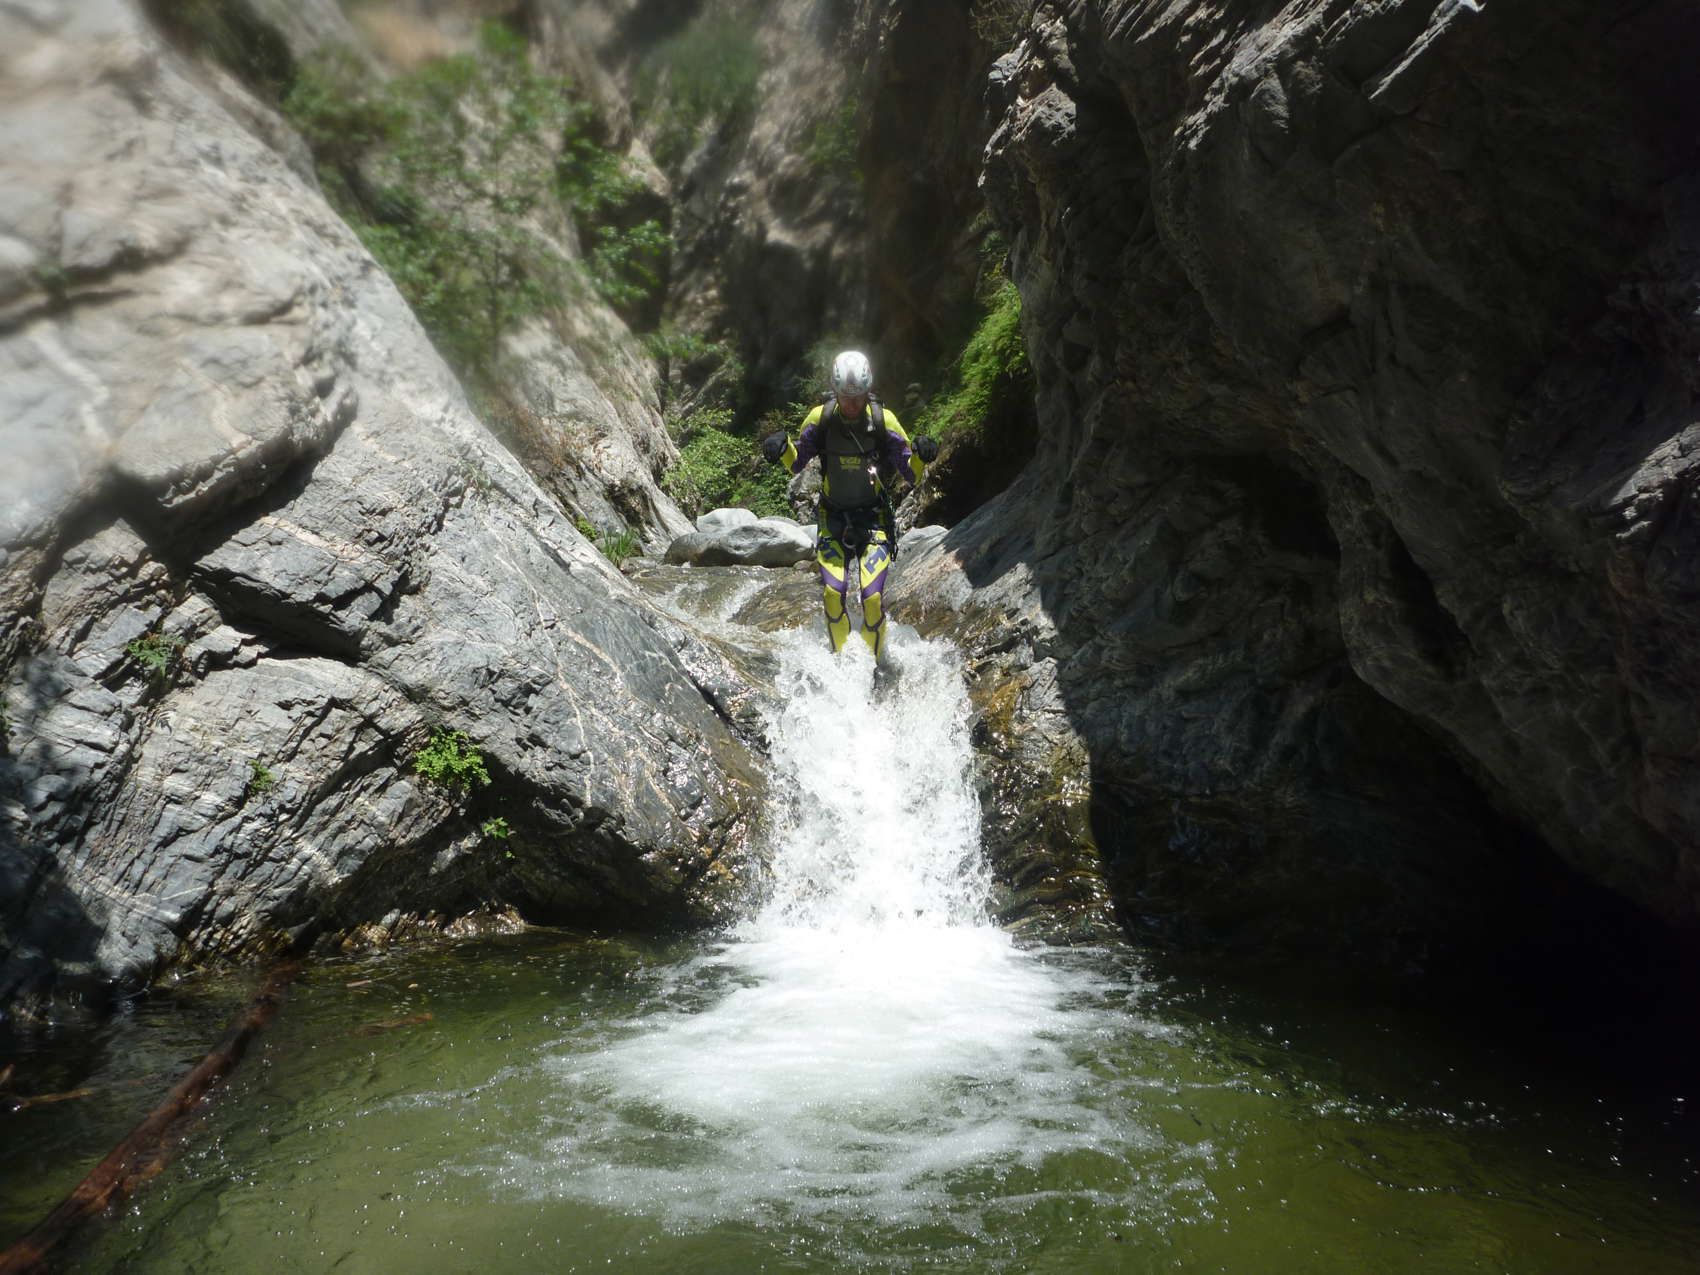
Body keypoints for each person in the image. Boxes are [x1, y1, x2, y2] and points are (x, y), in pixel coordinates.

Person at [762, 350, 939, 660]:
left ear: (868, 391)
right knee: (833, 594)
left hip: (874, 519)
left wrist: (922, 455)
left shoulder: (884, 421)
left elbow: (911, 473)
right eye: (846, 397)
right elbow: (796, 463)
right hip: (832, 517)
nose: (852, 404)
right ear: (836, 390)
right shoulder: (820, 419)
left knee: (872, 599)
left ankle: (872, 665)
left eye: (858, 397)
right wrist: (783, 446)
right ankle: (842, 662)